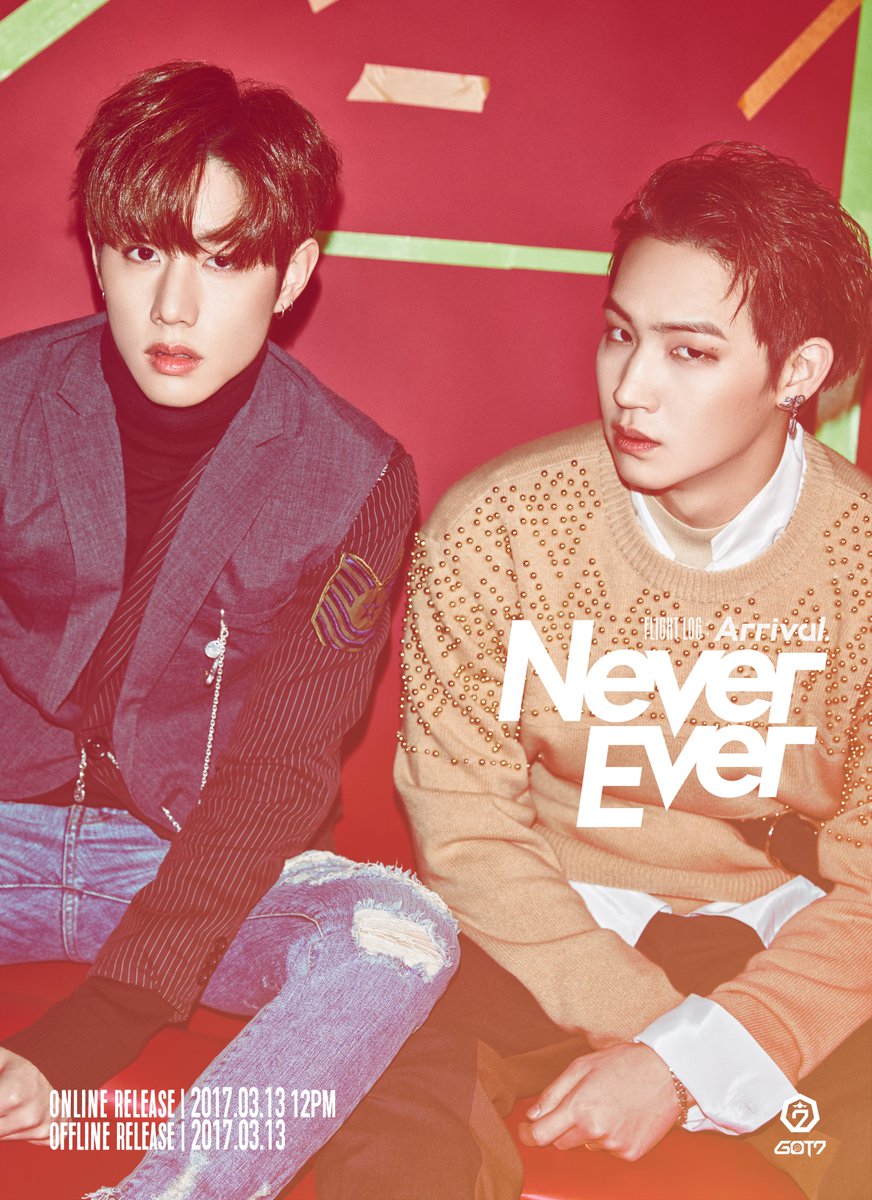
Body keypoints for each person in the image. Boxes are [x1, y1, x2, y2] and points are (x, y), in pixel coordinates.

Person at [315, 143, 872, 1200]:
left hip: (786, 930)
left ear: (797, 373)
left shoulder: (859, 567)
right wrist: (659, 1033)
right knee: (379, 1050)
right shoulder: (498, 529)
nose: (631, 387)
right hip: (541, 919)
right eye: (621, 334)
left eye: (689, 352)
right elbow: (464, 824)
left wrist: (700, 1058)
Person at [0, 61, 457, 1200]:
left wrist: (97, 1026)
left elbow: (282, 770)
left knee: (397, 931)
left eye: (222, 259)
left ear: (291, 272)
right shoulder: (7, 404)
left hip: (186, 859)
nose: (173, 308)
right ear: (96, 251)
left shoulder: (357, 474)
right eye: (142, 251)